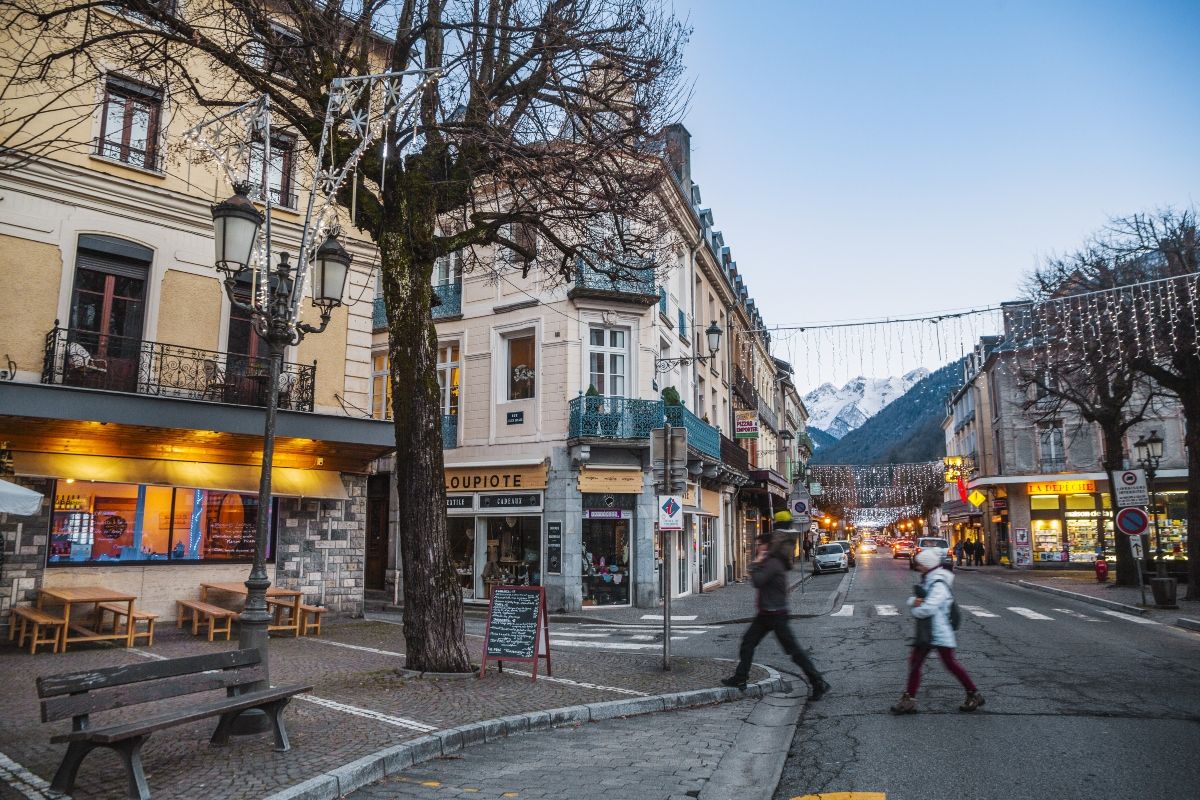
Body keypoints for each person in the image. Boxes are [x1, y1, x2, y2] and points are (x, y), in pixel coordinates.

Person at [722, 512, 830, 700]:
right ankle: (740, 677)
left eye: (759, 545)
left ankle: (818, 682)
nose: (757, 547)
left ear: (767, 545)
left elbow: (758, 581)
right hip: (767, 613)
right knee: (748, 643)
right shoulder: (773, 561)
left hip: (775, 614)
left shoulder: (772, 562)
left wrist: (755, 563)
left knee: (794, 652)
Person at [891, 548, 984, 714]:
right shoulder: (930, 579)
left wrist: (915, 608)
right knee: (917, 663)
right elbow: (922, 601)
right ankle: (909, 699)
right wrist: (915, 601)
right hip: (930, 632)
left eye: (920, 564)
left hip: (938, 632)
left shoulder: (938, 582)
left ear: (927, 565)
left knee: (948, 664)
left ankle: (973, 693)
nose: (918, 567)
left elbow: (928, 608)